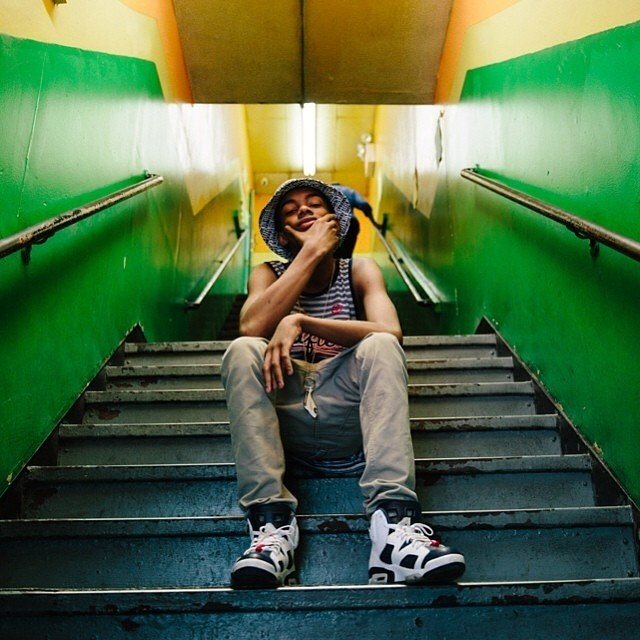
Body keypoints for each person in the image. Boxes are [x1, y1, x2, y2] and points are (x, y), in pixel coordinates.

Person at [221, 178, 465, 589]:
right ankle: (271, 530)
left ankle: (394, 527)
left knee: (381, 345)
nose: (304, 210)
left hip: (349, 421)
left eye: (315, 204)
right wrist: (310, 253)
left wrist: (300, 321)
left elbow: (391, 330)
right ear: (283, 235)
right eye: (291, 210)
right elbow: (251, 326)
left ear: (335, 221)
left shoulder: (360, 269)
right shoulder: (267, 273)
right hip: (288, 427)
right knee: (244, 349)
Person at [330, 182, 381, 258]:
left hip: (331, 222)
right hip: (350, 222)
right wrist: (374, 222)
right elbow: (364, 204)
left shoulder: (326, 192)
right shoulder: (349, 191)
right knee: (347, 253)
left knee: (331, 252)